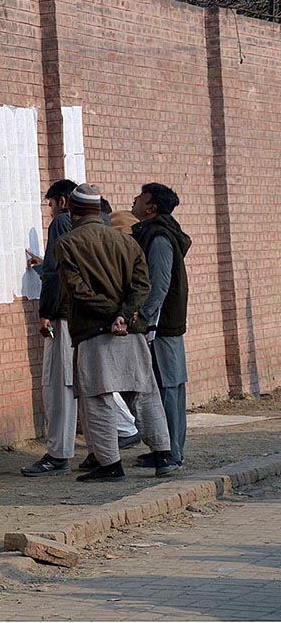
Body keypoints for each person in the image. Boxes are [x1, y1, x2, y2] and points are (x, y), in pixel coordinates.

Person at [53, 183, 180, 481]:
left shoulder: (67, 244)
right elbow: (142, 285)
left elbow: (77, 290)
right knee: (144, 392)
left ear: (72, 210)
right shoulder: (127, 241)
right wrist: (124, 315)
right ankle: (164, 454)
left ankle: (109, 463)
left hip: (93, 331)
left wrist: (110, 315)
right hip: (130, 330)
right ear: (98, 209)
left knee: (97, 398)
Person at [131, 183, 191, 469]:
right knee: (170, 386)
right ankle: (166, 448)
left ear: (151, 207)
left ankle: (171, 452)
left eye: (141, 197)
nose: (135, 200)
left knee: (169, 387)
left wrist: (144, 317)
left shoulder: (158, 238)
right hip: (168, 323)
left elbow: (159, 284)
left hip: (162, 326)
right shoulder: (159, 233)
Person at [22, 180, 77, 476]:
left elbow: (59, 273)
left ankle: (57, 454)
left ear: (63, 202)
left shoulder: (61, 224)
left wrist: (46, 311)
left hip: (63, 315)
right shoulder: (96, 224)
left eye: (51, 204)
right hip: (84, 316)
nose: (51, 210)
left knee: (58, 385)